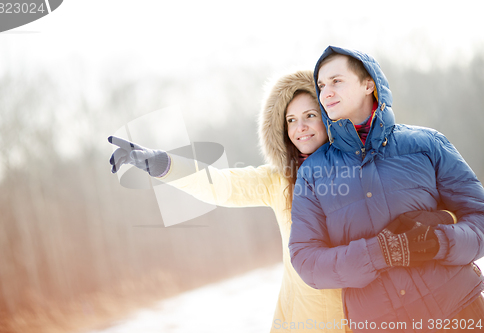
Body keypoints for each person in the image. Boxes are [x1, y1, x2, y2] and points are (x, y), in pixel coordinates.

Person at [108, 70, 352, 333]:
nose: (299, 128)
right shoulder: (281, 180)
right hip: (302, 320)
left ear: (330, 117)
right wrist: (161, 163)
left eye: (310, 116)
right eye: (291, 120)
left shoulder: (362, 171)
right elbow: (221, 185)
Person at [289, 46, 484, 333]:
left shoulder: (427, 144)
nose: (325, 92)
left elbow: (478, 215)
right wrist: (378, 253)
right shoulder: (312, 174)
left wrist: (439, 241)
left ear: (369, 84)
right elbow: (306, 259)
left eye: (336, 81)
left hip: (460, 312)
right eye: (321, 85)